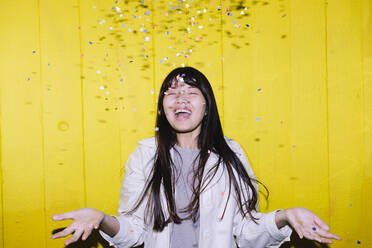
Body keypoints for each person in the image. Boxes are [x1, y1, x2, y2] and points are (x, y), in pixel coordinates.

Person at [51, 67, 341, 247]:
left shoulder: (231, 154)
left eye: (191, 92)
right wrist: (101, 219)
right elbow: (133, 232)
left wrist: (285, 217)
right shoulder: (145, 154)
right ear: (163, 106)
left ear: (207, 105)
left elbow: (247, 231)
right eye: (172, 93)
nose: (181, 98)